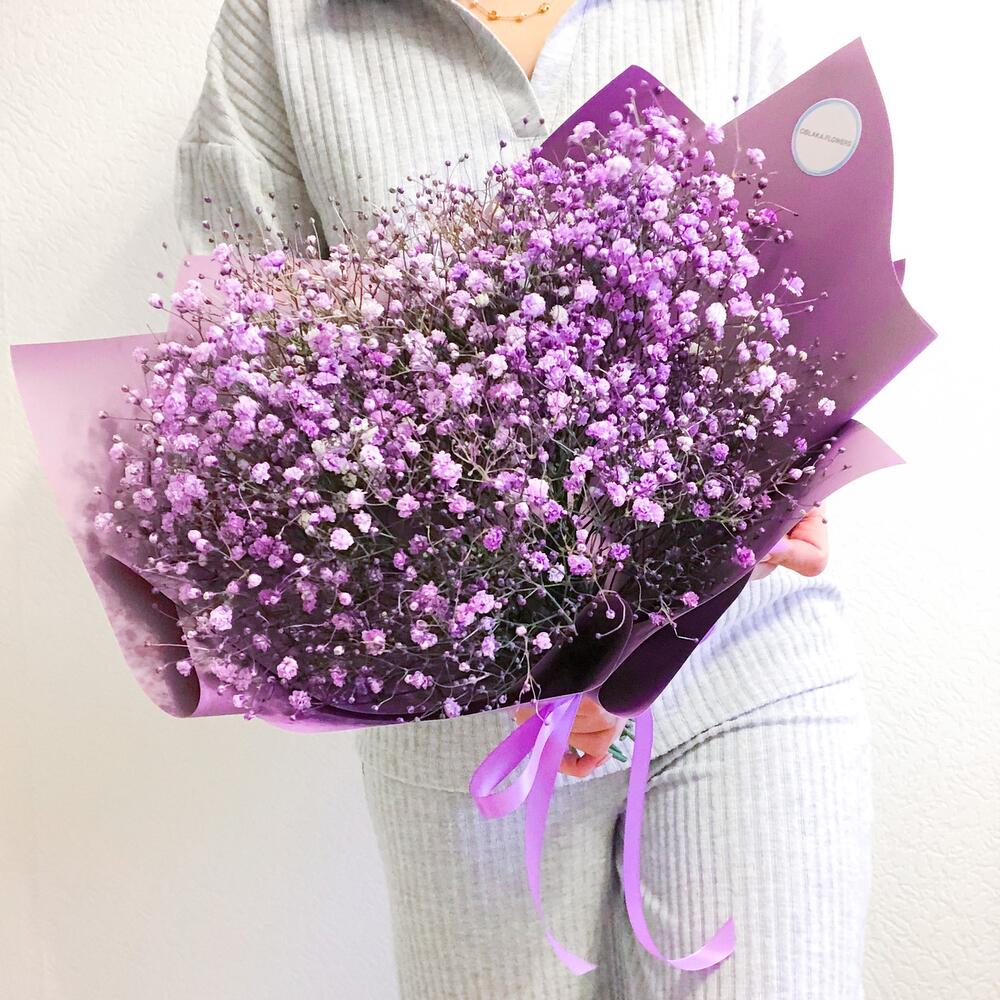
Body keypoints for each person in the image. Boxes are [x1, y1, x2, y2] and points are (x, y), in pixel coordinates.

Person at [174, 2, 872, 997]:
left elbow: (790, 278)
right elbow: (250, 381)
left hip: (742, 651)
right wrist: (528, 642)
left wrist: (791, 475)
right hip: (464, 710)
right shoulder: (286, 24)